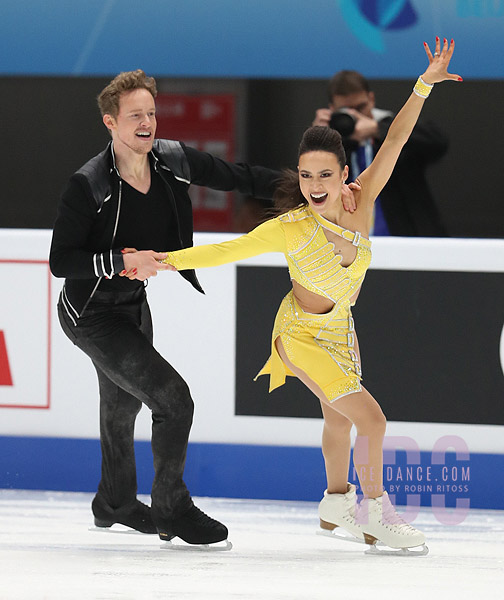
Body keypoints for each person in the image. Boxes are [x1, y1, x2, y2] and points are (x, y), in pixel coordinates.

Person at [151, 39, 460, 551]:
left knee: (339, 419)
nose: (314, 185)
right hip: (299, 334)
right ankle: (375, 511)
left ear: (344, 175)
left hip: (340, 329)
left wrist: (424, 85)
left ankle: (336, 501)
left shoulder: (362, 205)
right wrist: (163, 261)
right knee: (373, 421)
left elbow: (397, 140)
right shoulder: (290, 228)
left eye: (325, 175)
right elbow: (226, 250)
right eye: (306, 175)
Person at [49, 69, 356, 546]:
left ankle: (114, 502)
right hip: (89, 311)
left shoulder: (170, 159)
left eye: (152, 112)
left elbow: (238, 177)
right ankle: (172, 508)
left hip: (131, 304)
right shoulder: (89, 184)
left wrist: (315, 193)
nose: (148, 122)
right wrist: (121, 259)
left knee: (123, 401)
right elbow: (61, 261)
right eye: (136, 115)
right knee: (172, 398)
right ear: (110, 122)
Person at [312, 50, 449, 237]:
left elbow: (438, 143)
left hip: (406, 237)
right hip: (346, 243)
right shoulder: (330, 142)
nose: (354, 115)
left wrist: (378, 128)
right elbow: (310, 185)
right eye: (346, 111)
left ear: (371, 99)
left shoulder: (394, 128)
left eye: (360, 107)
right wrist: (317, 141)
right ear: (332, 109)